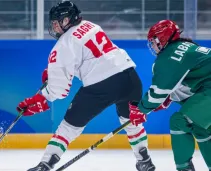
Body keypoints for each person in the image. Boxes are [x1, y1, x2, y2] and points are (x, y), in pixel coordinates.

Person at [17, 1, 155, 171]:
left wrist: (41, 97)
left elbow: (59, 91)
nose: (53, 26)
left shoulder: (62, 44)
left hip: (102, 86)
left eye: (56, 22)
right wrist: (57, 73)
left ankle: (45, 164)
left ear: (67, 20)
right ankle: (145, 160)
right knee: (131, 121)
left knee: (68, 127)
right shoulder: (91, 26)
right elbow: (91, 58)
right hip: (130, 78)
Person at [129, 19, 211, 171]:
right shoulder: (185, 47)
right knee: (201, 127)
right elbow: (185, 82)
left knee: (178, 121)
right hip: (207, 90)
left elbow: (158, 92)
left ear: (162, 38)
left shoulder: (169, 56)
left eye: (153, 41)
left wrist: (141, 109)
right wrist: (169, 98)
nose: (152, 46)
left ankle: (184, 168)